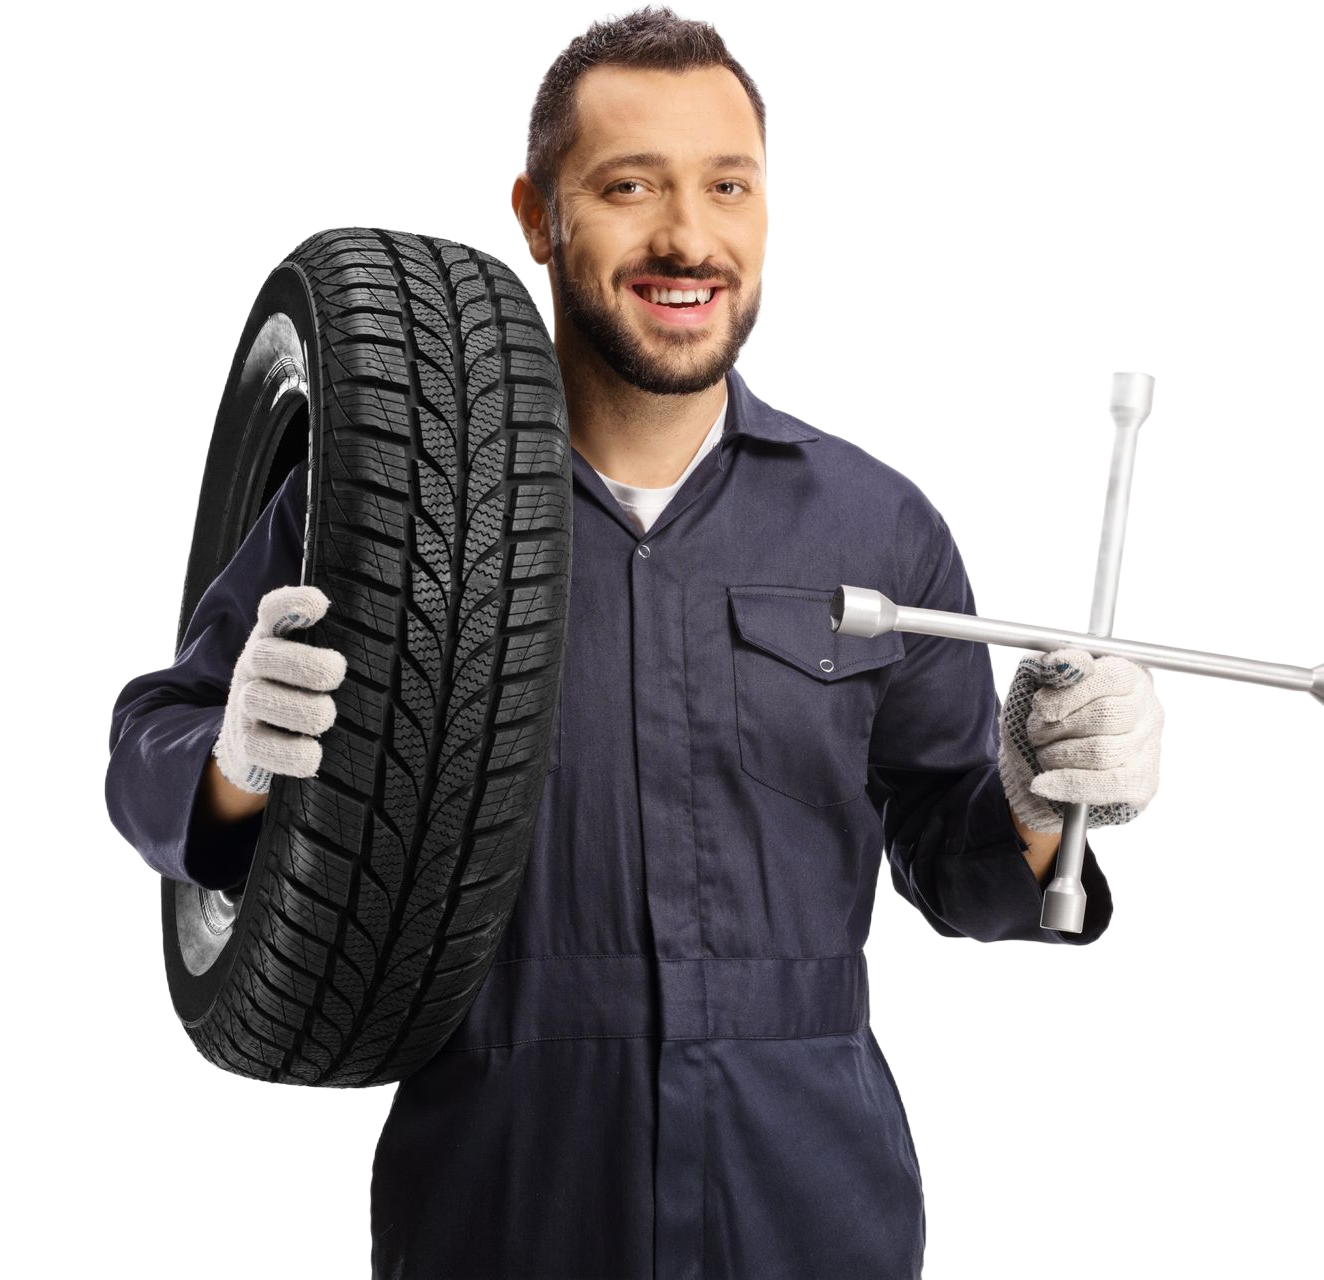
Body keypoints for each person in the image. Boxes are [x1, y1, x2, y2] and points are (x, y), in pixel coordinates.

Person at [103, 5, 1169, 1277]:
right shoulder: (385, 503)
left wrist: (1047, 791)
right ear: (537, 216)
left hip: (816, 1211)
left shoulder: (879, 523)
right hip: (500, 1208)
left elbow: (962, 863)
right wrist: (237, 760)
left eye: (730, 186)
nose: (688, 237)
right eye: (629, 186)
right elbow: (145, 746)